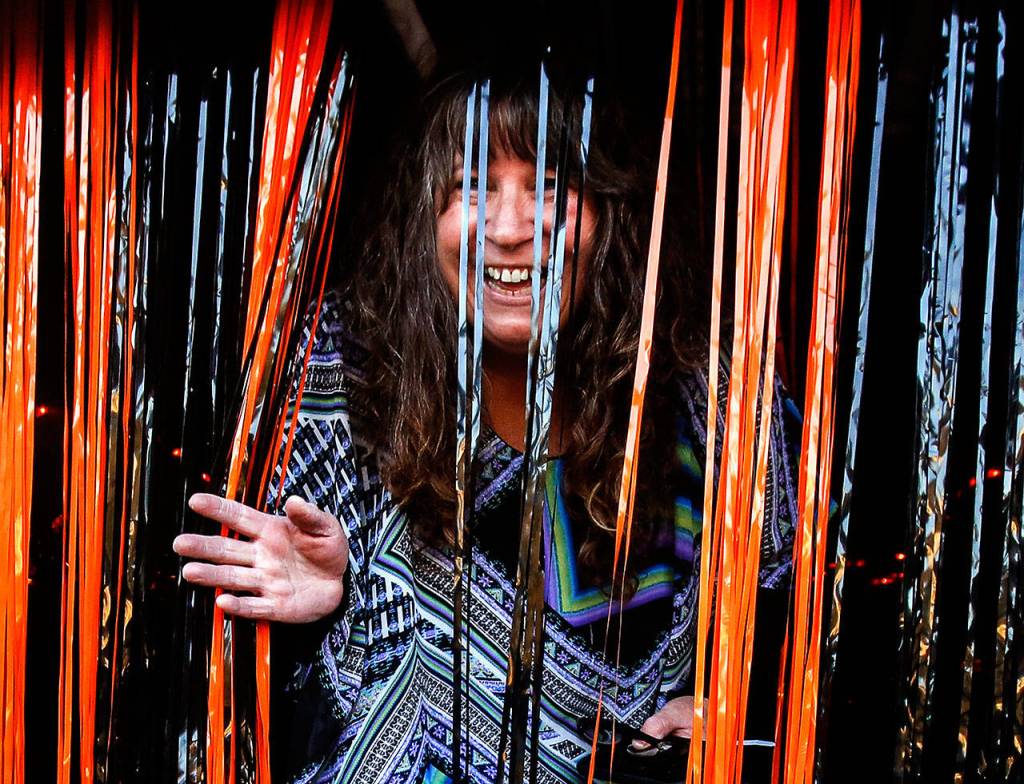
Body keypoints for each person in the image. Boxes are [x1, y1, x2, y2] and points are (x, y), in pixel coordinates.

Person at [173, 70, 801, 783]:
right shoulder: (341, 373)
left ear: (610, 213)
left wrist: (734, 710)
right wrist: (331, 605)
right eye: (473, 186)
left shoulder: (709, 398)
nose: (507, 230)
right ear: (426, 215)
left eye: (549, 187)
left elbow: (801, 612)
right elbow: (233, 699)